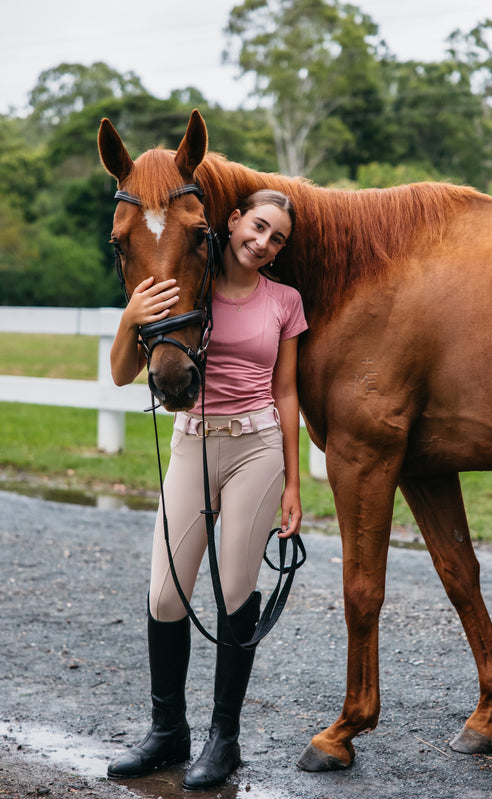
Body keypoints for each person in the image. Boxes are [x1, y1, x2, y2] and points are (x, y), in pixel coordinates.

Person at [106, 189, 308, 790]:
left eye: (278, 239)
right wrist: (130, 318)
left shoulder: (285, 302)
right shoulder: (191, 284)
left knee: (237, 593)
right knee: (166, 596)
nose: (264, 243)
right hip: (192, 440)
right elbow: (122, 374)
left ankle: (224, 740)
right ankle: (168, 732)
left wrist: (294, 482)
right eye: (259, 227)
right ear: (234, 220)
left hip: (257, 448)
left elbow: (287, 392)